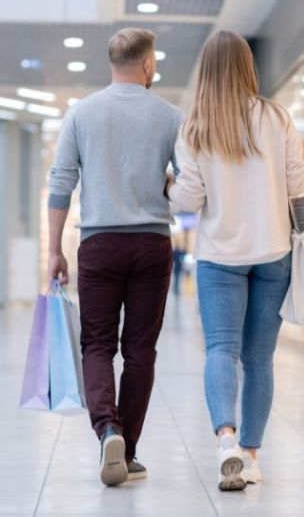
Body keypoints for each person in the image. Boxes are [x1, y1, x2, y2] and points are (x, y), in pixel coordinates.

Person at [166, 30, 304, 491]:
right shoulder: (277, 117)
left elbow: (188, 199)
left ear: (206, 70)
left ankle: (225, 439)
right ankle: (251, 455)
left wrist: (169, 187)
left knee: (221, 351)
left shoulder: (196, 127)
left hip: (220, 255)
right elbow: (298, 188)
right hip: (274, 252)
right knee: (260, 358)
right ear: (248, 66)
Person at [47, 28, 183, 486]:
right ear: (148, 64)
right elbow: (188, 186)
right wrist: (163, 183)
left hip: (99, 244)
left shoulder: (82, 113)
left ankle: (108, 430)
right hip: (150, 243)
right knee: (140, 350)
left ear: (112, 63)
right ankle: (131, 447)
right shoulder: (170, 116)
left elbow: (61, 183)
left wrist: (53, 250)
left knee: (98, 344)